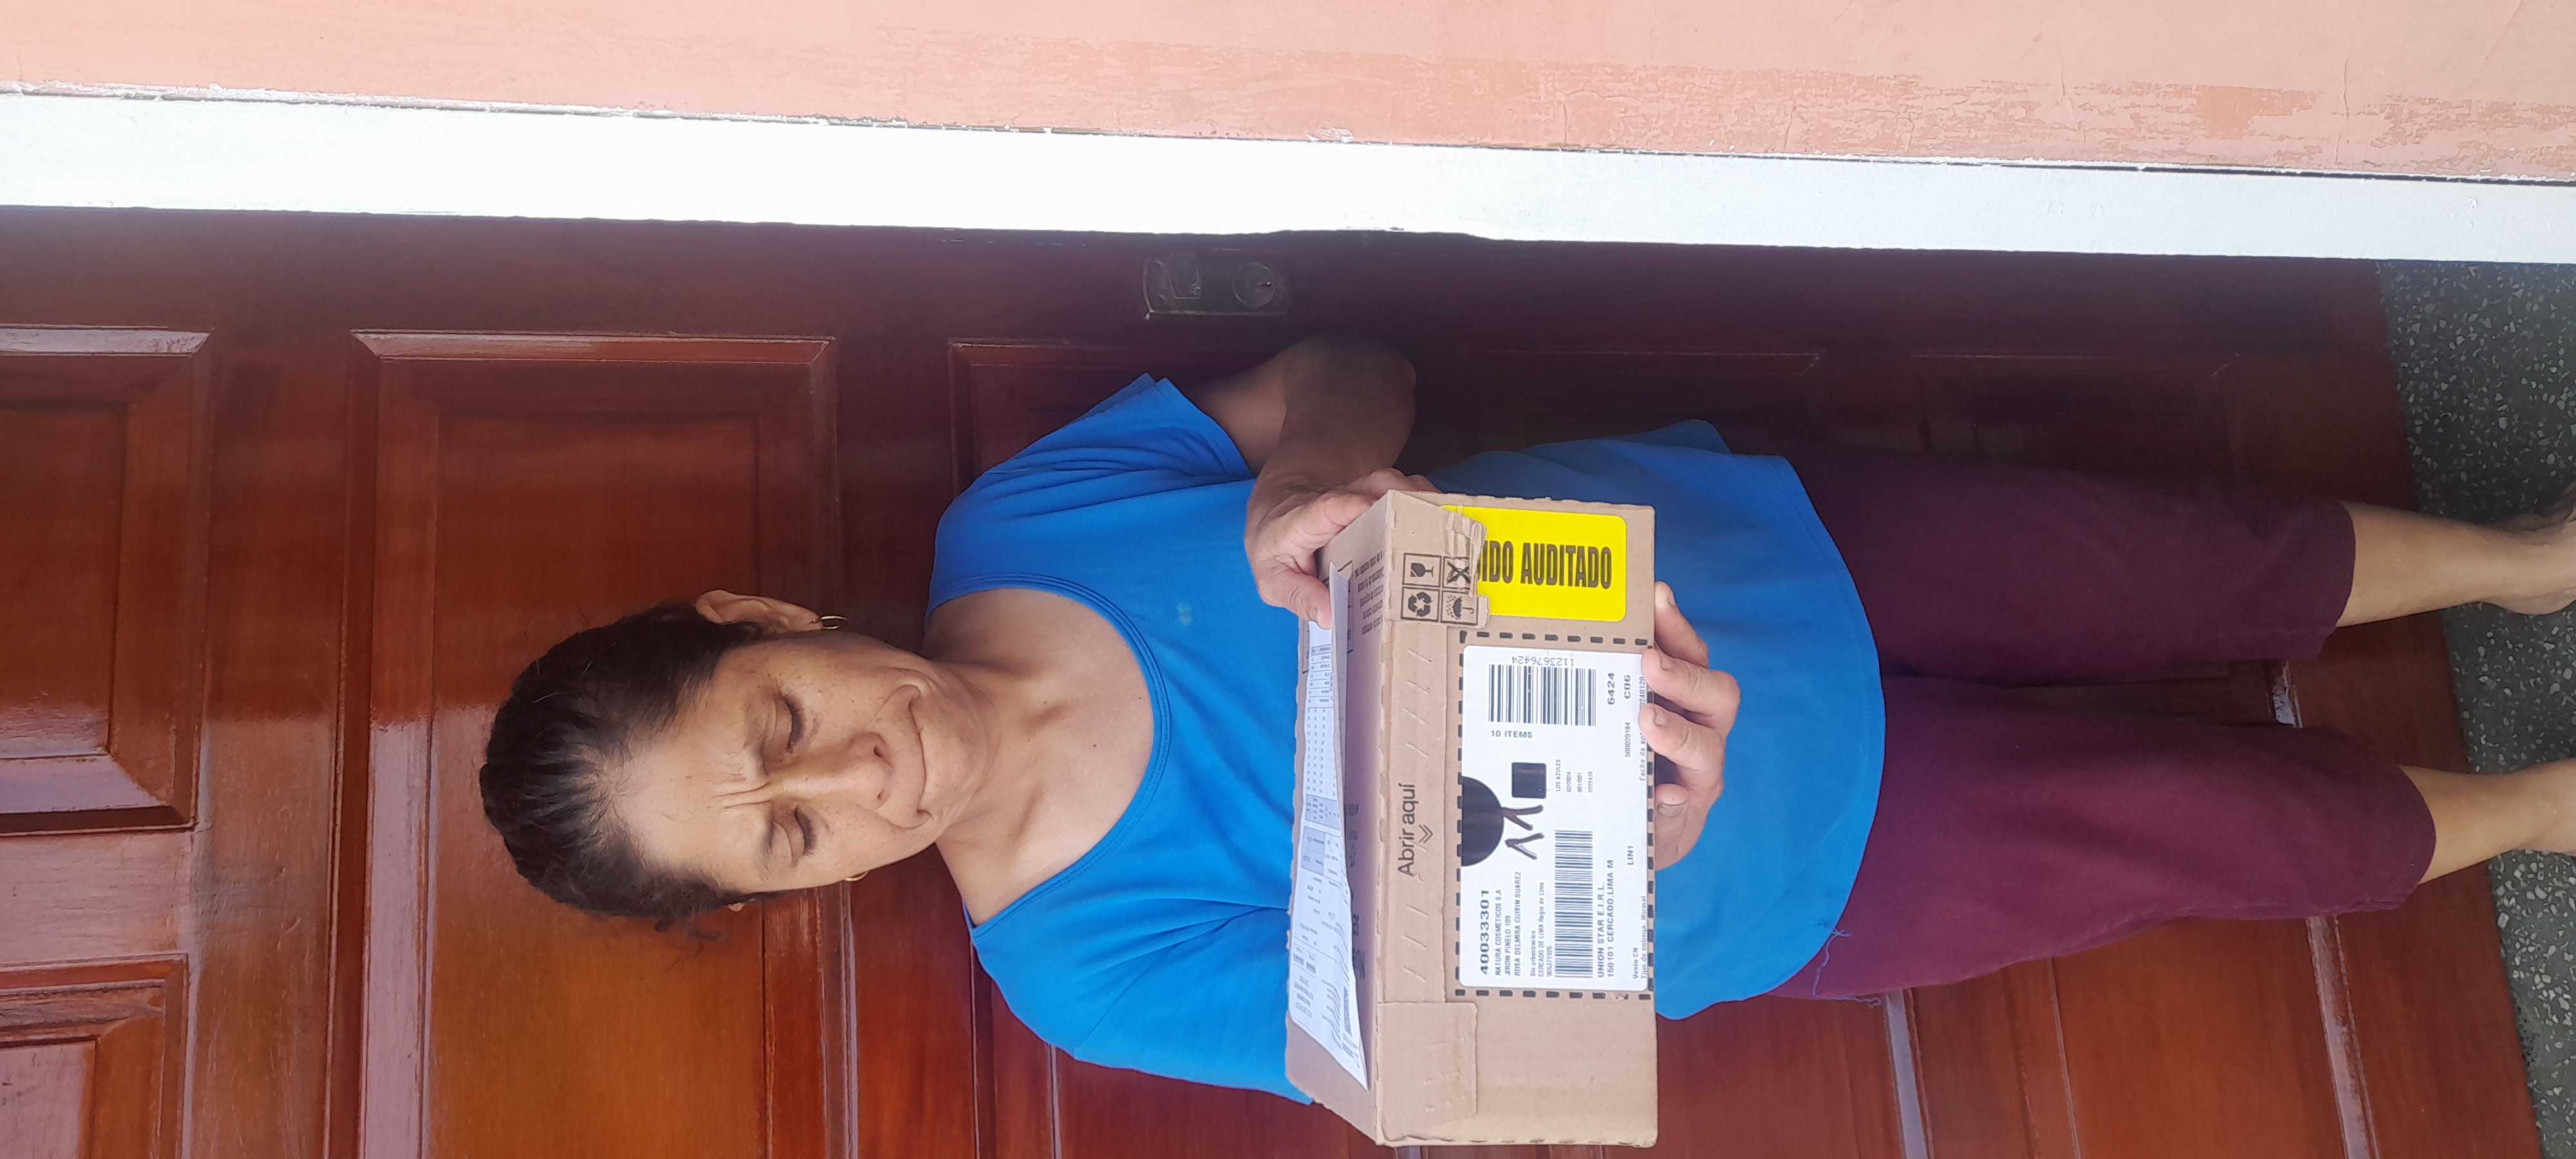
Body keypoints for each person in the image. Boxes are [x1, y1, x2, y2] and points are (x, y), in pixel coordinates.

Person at [478, 334, 2576, 1099]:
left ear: (762, 617)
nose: (858, 772)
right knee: (2227, 837)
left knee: (2189, 558)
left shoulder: (1019, 518)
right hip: (1789, 868)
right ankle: (2540, 810)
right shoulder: (1078, 969)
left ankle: (2519, 561)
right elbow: (1448, 1049)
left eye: (780, 718)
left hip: (1762, 547)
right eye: (790, 831)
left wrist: (1314, 480)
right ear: (793, 895)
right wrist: (1629, 862)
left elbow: (1346, 363)